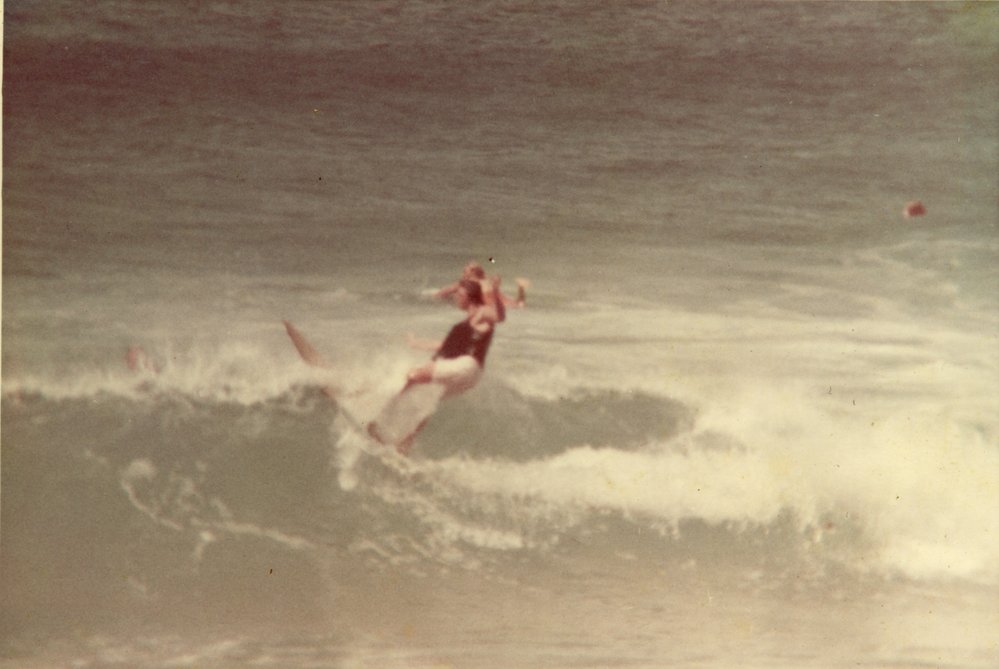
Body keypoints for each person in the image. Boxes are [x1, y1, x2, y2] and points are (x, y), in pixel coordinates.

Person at [369, 276, 506, 455]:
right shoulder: (467, 324)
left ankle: (381, 421)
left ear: (470, 297)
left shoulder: (481, 314)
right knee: (428, 399)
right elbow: (443, 345)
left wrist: (492, 291)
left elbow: (498, 316)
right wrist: (416, 343)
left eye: (460, 294)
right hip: (471, 375)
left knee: (413, 376)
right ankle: (405, 443)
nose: (457, 298)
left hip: (467, 366)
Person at [435, 260, 527, 309]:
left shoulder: (465, 283)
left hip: (490, 306)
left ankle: (521, 290)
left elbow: (442, 293)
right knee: (515, 303)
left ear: (471, 273)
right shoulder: (487, 281)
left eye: (464, 271)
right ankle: (521, 289)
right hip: (505, 303)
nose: (462, 274)